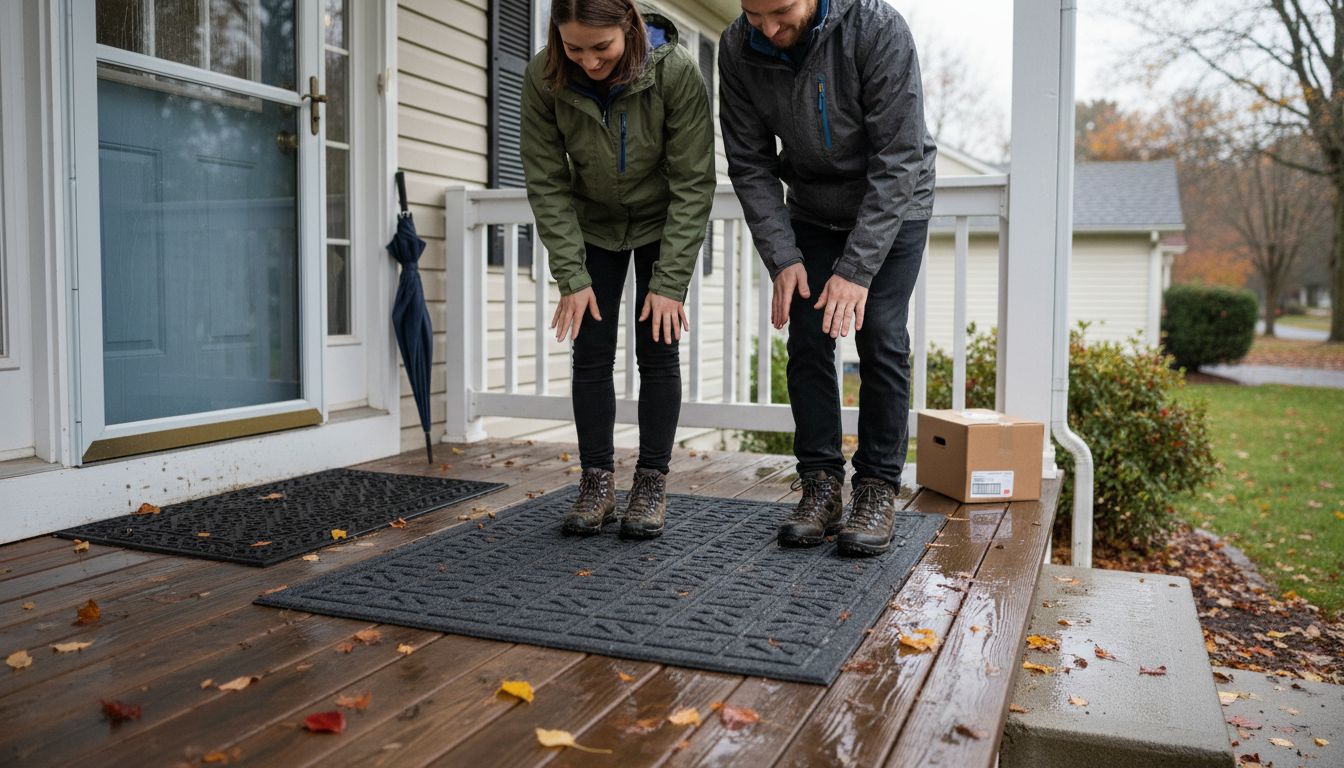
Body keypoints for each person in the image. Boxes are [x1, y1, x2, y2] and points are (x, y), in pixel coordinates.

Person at [718, 0, 937, 555]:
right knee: (809, 338)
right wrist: (783, 256)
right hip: (812, 210)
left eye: (780, 11)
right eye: (754, 13)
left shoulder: (876, 29)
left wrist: (857, 269)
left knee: (881, 335)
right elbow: (749, 163)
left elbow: (900, 156)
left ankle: (877, 487)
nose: (767, 28)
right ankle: (820, 484)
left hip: (893, 202)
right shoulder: (736, 48)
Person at [521, 0, 715, 539]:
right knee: (591, 352)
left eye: (600, 48)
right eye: (573, 47)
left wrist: (670, 282)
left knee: (658, 347)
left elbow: (694, 182)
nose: (588, 62)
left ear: (628, 27)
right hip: (592, 225)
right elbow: (546, 180)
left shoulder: (674, 71)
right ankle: (597, 482)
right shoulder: (544, 76)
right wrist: (572, 276)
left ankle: (650, 481)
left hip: (661, 221)